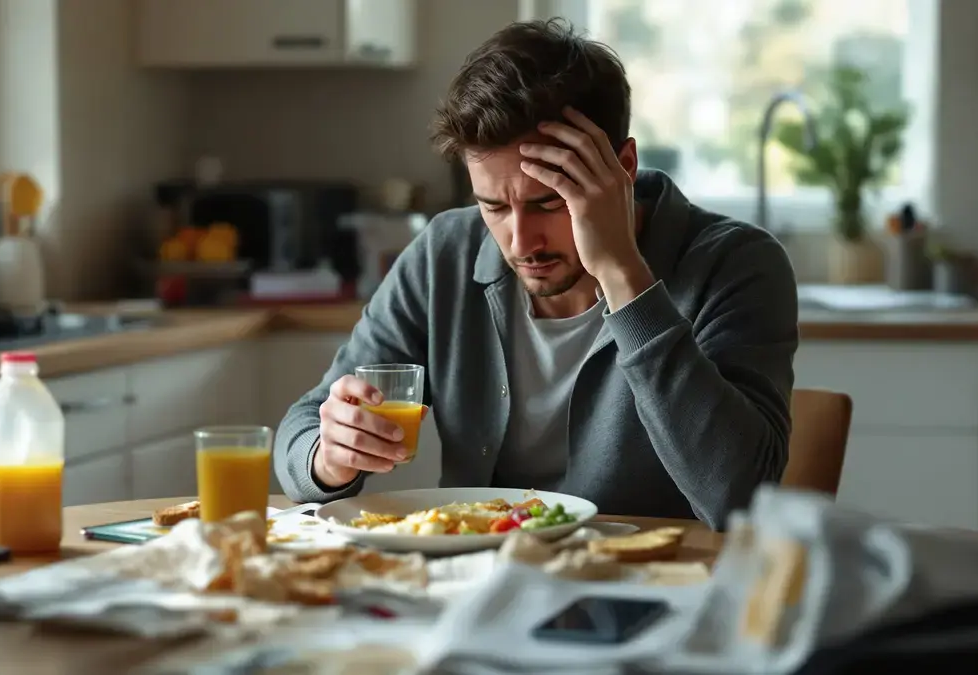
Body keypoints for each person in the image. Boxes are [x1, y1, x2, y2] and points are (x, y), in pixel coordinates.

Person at [274, 18, 798, 529]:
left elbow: (739, 501)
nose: (520, 243)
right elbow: (303, 430)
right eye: (494, 207)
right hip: (474, 583)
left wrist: (622, 274)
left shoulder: (736, 264)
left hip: (649, 590)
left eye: (549, 203)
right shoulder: (447, 253)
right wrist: (331, 456)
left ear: (624, 168)